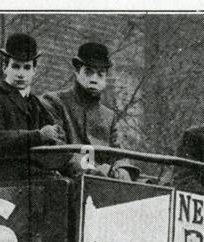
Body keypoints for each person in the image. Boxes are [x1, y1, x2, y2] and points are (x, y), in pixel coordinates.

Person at [0, 33, 65, 182]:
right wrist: (38, 136)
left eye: (27, 68)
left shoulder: (36, 103)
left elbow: (56, 137)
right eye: (16, 67)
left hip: (33, 177)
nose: (21, 74)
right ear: (5, 68)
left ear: (34, 71)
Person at [40, 41, 135, 181]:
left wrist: (123, 170)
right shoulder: (55, 103)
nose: (94, 79)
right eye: (89, 72)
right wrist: (98, 170)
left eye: (100, 74)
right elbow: (58, 152)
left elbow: (118, 155)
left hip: (104, 184)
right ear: (77, 72)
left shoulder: (109, 116)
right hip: (67, 184)